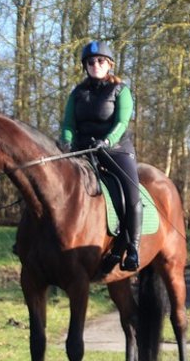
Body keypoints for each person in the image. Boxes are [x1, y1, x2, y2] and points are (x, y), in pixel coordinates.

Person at [58, 40, 142, 271]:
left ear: (109, 64)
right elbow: (68, 124)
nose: (96, 64)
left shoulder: (121, 90)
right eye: (91, 61)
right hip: (82, 151)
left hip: (115, 150)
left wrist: (107, 142)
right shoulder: (77, 93)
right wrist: (66, 142)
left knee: (131, 192)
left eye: (101, 61)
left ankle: (132, 248)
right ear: (86, 66)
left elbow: (122, 122)